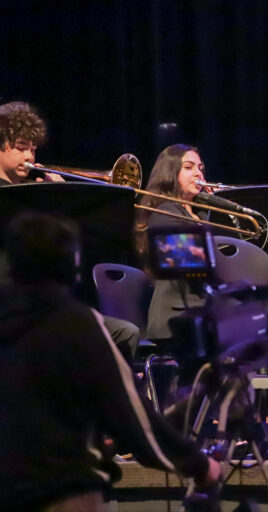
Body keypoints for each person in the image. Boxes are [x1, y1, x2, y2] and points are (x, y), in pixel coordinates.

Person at [0, 211, 220, 511]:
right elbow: (134, 420)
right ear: (71, 267)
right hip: (64, 492)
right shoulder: (76, 323)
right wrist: (199, 465)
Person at [0, 101, 140, 363]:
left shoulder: (34, 194)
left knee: (126, 332)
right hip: (15, 305)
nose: (30, 157)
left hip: (48, 302)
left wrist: (59, 199)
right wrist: (54, 201)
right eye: (21, 148)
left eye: (32, 149)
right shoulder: (13, 198)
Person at [137, 143, 211, 340]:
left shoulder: (203, 215)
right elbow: (191, 260)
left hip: (201, 308)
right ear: (170, 173)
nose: (198, 174)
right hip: (175, 314)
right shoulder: (162, 214)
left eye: (200, 168)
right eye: (189, 167)